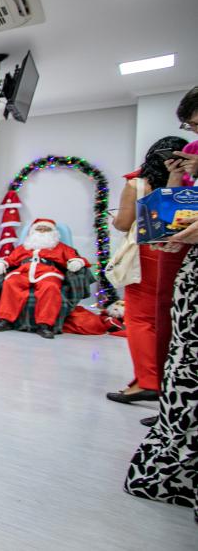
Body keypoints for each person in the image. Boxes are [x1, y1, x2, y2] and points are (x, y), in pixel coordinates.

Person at [125, 87, 198, 522]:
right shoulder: (184, 176)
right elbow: (163, 229)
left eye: (193, 125)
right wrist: (177, 181)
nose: (191, 137)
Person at [105, 136, 189, 405]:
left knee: (141, 319)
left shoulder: (137, 184)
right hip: (181, 250)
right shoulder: (188, 182)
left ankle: (148, 381)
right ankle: (169, 380)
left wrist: (115, 218)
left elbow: (124, 223)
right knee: (168, 319)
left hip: (147, 252)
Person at [0, 218, 89, 339]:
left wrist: (77, 262)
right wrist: (2, 264)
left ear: (53, 232)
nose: (42, 231)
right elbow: (10, 259)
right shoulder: (24, 247)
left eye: (46, 229)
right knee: (10, 283)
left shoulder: (61, 247)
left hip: (48, 272)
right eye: (39, 229)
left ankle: (44, 324)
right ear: (33, 232)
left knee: (50, 287)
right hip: (23, 272)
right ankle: (5, 320)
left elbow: (75, 257)